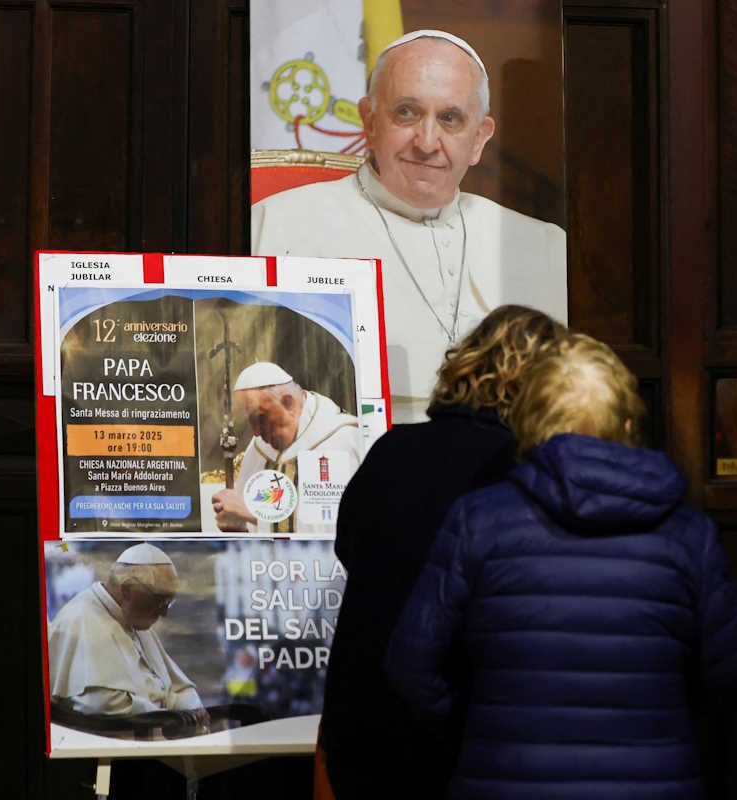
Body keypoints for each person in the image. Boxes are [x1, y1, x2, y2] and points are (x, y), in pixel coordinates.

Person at [386, 333, 737, 799]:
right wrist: (662, 713)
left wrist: (479, 726)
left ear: (529, 424)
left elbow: (410, 667)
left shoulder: (478, 521)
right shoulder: (688, 536)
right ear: (628, 425)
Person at [252, 30, 568, 423]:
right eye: (407, 112)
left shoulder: (545, 245)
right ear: (368, 121)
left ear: (479, 139)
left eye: (449, 118)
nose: (427, 141)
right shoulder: (275, 223)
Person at [319, 306, 566, 799]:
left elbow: (350, 546)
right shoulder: (523, 469)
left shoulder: (393, 449)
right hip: (456, 730)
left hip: (363, 718)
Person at [48, 543, 208, 725]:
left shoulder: (135, 619)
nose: (164, 613)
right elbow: (102, 704)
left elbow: (175, 686)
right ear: (126, 590)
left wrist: (190, 705)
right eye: (160, 600)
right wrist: (169, 714)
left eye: (169, 602)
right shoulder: (80, 620)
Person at [211, 361, 362, 534]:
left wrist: (252, 514)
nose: (256, 432)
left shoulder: (338, 440)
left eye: (261, 418)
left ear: (288, 403)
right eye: (250, 421)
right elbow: (245, 522)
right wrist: (238, 525)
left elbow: (334, 530)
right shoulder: (260, 448)